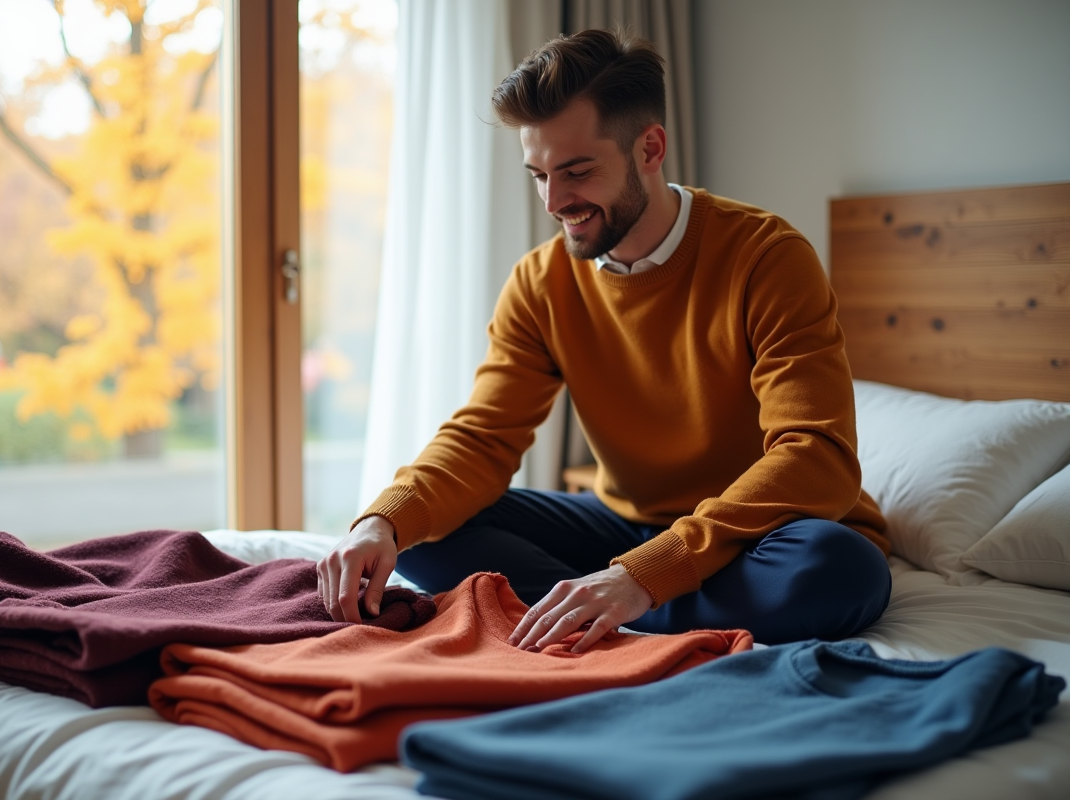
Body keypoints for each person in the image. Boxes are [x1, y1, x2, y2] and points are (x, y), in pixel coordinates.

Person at [318, 28, 892, 651]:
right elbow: (483, 437)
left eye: (577, 172)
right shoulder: (539, 281)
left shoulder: (767, 257)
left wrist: (643, 574)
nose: (555, 201)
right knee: (423, 532)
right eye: (538, 175)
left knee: (838, 569)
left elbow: (817, 457)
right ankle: (606, 604)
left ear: (649, 148)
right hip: (625, 526)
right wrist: (383, 519)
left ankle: (604, 606)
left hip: (761, 533)